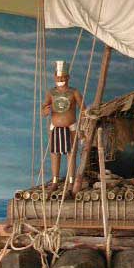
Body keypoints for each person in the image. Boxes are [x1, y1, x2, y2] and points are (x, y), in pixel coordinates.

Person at [42, 61, 84, 194]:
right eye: (59, 78)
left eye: (63, 77)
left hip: (71, 127)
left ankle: (71, 182)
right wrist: (45, 111)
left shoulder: (74, 92)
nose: (61, 80)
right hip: (54, 127)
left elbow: (83, 110)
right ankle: (55, 181)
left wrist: (83, 128)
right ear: (55, 77)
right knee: (55, 154)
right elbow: (43, 110)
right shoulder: (51, 93)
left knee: (71, 153)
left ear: (68, 77)